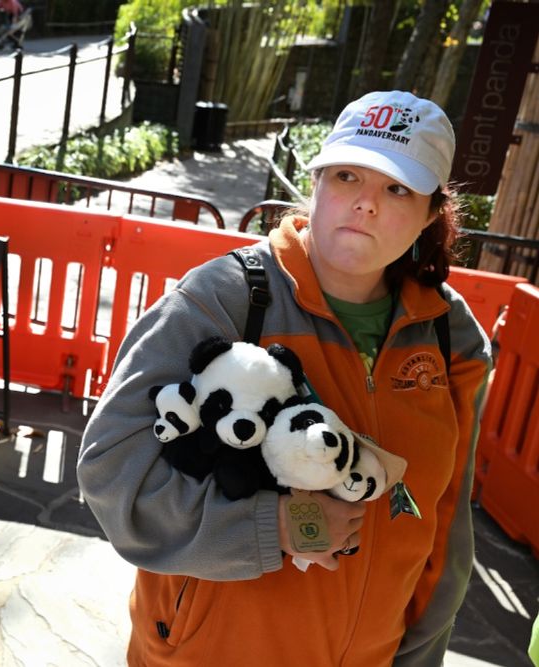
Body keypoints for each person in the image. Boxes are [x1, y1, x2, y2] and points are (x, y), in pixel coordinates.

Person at [76, 90, 491, 666]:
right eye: (347, 175)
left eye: (397, 187)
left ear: (430, 214)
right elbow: (112, 469)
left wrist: (419, 655)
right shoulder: (223, 297)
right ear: (315, 184)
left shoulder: (453, 336)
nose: (366, 202)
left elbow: (443, 523)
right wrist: (276, 525)